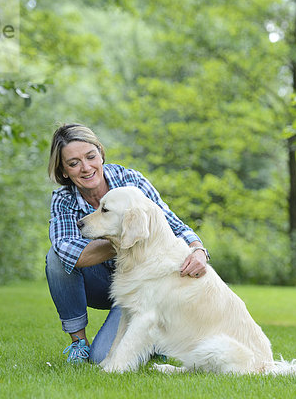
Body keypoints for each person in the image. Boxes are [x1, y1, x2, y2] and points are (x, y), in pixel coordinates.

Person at [45, 123, 210, 364]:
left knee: (102, 357)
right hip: (101, 283)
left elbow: (174, 225)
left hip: (141, 284)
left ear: (101, 153)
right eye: (73, 163)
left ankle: (154, 338)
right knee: (55, 259)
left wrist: (198, 250)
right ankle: (79, 344)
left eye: (91, 157)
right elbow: (71, 255)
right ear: (63, 171)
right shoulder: (63, 199)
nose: (86, 167)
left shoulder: (130, 181)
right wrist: (131, 236)